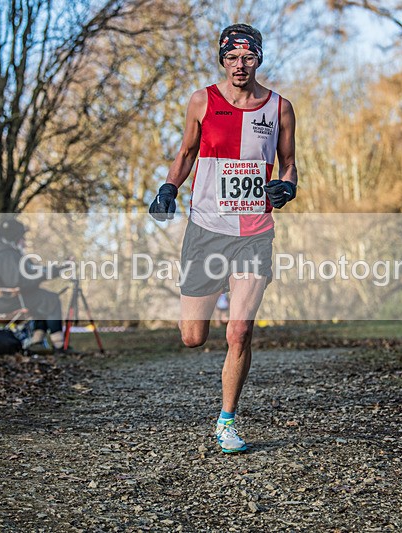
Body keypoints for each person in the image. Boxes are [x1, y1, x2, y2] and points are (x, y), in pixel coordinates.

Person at [148, 23, 298, 453]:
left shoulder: (279, 108)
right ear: (222, 59)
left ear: (259, 60)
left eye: (248, 57)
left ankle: (227, 421)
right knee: (193, 336)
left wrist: (286, 187)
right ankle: (210, 298)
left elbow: (288, 164)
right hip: (207, 229)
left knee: (239, 332)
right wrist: (168, 188)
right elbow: (187, 152)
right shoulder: (202, 101)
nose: (240, 65)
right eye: (232, 57)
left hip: (254, 231)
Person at [0, 218, 71, 354]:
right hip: (4, 302)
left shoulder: (4, 253)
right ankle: (59, 344)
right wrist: (40, 277)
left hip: (2, 300)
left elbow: (34, 271)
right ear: (14, 238)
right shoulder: (7, 255)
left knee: (42, 299)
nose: (24, 242)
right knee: (51, 300)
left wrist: (58, 270)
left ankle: (37, 342)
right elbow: (17, 282)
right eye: (21, 238)